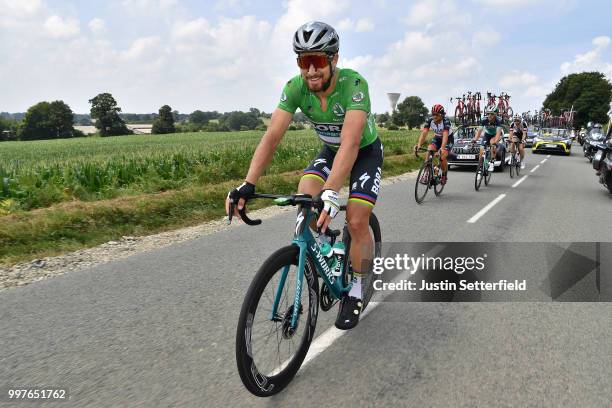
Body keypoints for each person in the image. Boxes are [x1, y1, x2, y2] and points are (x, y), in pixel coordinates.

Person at [226, 21, 382, 330]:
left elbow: (350, 143)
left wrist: (333, 193)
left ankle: (359, 286)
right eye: (303, 61)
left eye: (318, 60)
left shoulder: (354, 85)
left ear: (334, 59)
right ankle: (325, 248)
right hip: (330, 151)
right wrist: (248, 183)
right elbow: (272, 136)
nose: (310, 70)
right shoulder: (295, 88)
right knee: (306, 194)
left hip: (363, 152)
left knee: (356, 219)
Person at [413, 104, 454, 184]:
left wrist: (442, 148)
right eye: (433, 114)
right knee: (429, 149)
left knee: (442, 156)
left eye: (436, 114)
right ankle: (426, 172)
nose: (434, 116)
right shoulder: (430, 120)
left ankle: (444, 175)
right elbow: (424, 132)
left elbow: (445, 135)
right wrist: (419, 145)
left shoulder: (446, 121)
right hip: (437, 138)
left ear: (441, 115)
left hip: (448, 139)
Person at [472, 105, 503, 172]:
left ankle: (492, 162)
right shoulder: (484, 119)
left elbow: (498, 134)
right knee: (481, 149)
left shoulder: (499, 120)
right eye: (488, 113)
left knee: (492, 144)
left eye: (492, 114)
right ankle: (480, 166)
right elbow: (479, 131)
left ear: (495, 114)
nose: (489, 115)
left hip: (495, 135)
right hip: (487, 134)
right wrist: (475, 139)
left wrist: (495, 142)